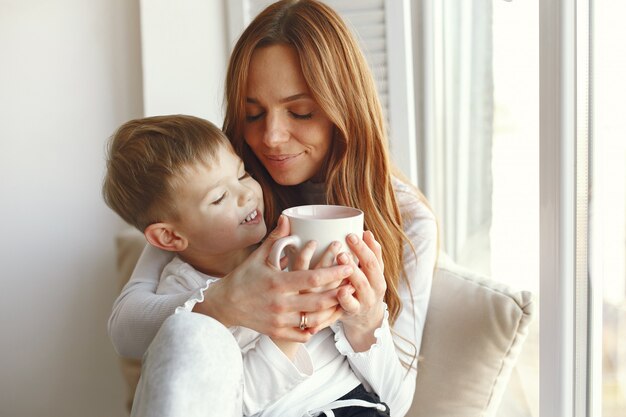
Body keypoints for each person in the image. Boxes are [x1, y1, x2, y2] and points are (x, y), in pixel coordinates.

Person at [108, 1, 438, 416]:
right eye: (253, 113)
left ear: (345, 108)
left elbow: (397, 399)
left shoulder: (405, 219)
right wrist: (225, 301)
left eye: (300, 111)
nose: (272, 137)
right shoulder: (218, 208)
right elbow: (126, 330)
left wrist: (366, 320)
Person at [103, 114, 388, 416]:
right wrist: (286, 334)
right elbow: (235, 402)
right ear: (170, 236)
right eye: (219, 198)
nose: (246, 194)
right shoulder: (182, 294)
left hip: (349, 404)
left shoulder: (288, 241)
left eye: (242, 175)